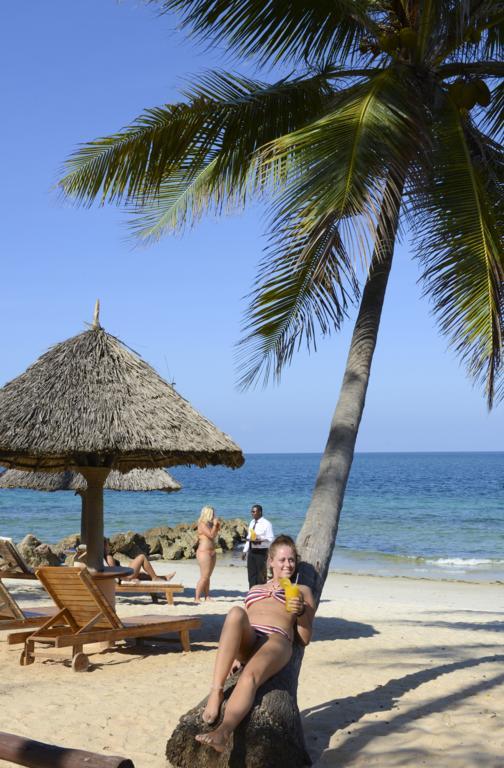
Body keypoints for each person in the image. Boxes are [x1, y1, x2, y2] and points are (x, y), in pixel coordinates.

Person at [195, 534, 314, 753]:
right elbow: (241, 624)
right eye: (282, 559)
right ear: (270, 562)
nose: (288, 564)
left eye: (291, 560)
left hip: (277, 640)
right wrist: (234, 656)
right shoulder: (255, 589)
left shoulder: (301, 591)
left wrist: (302, 611)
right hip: (251, 638)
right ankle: (216, 691)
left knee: (250, 675)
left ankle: (223, 732)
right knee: (234, 613)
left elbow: (305, 638)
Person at [78, 538, 176, 582]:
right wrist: (128, 579)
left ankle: (163, 577)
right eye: (107, 544)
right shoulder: (108, 557)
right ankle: (155, 578)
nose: (109, 546)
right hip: (125, 577)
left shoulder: (100, 557)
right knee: (141, 557)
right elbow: (114, 575)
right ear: (104, 546)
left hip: (124, 574)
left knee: (142, 573)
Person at [241, 504, 274, 588]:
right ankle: (252, 592)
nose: (252, 513)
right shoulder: (252, 522)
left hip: (261, 552)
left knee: (261, 575)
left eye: (254, 511)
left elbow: (271, 540)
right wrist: (245, 551)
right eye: (251, 511)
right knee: (251, 574)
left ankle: (261, 593)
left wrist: (260, 541)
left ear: (260, 512)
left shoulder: (267, 524)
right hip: (251, 551)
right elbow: (249, 537)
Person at [195, 505, 221, 602]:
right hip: (204, 552)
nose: (214, 515)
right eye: (213, 513)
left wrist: (217, 526)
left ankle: (207, 596)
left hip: (212, 552)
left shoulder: (210, 525)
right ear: (208, 514)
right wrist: (214, 525)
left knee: (208, 576)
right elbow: (210, 535)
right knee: (204, 576)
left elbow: (214, 535)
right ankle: (197, 597)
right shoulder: (202, 524)